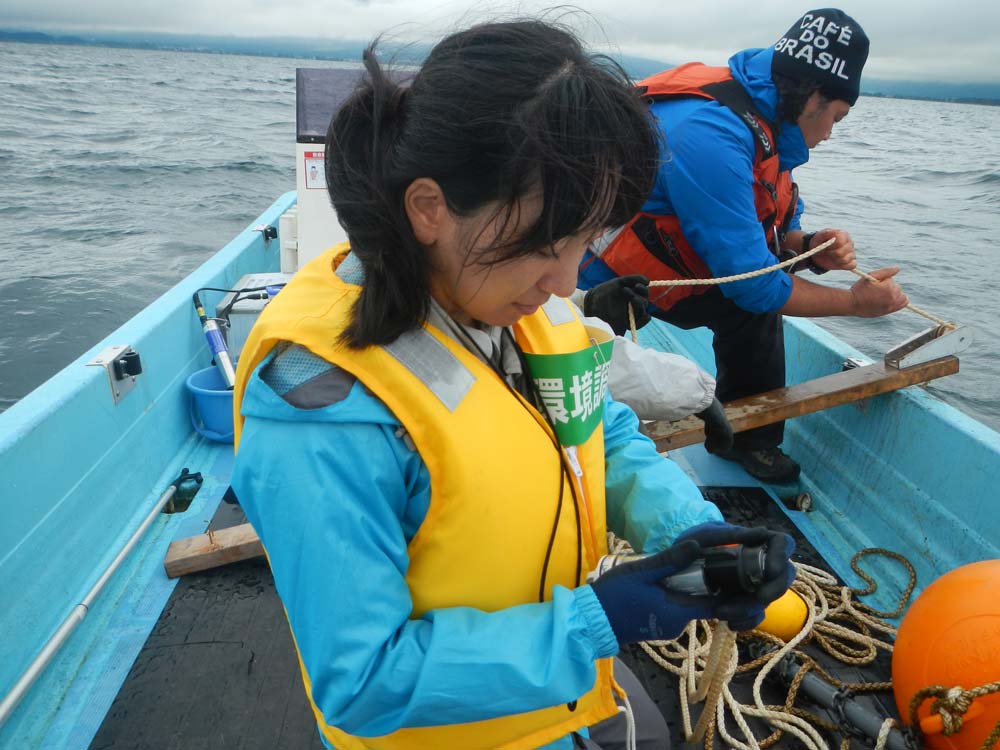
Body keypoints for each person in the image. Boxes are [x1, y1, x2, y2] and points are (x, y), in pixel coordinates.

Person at [231, 20, 794, 750]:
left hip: (553, 702)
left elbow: (600, 430)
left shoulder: (517, 300)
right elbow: (363, 680)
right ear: (429, 208)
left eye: (582, 241)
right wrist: (598, 622)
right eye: (542, 244)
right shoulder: (320, 405)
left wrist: (690, 534)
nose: (566, 282)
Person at [577, 9, 909, 483]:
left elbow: (771, 236)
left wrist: (811, 247)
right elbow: (755, 287)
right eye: (836, 116)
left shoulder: (770, 120)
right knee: (759, 299)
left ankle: (748, 439)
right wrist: (856, 304)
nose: (832, 132)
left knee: (765, 289)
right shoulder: (711, 135)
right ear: (814, 98)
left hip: (681, 269)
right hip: (603, 286)